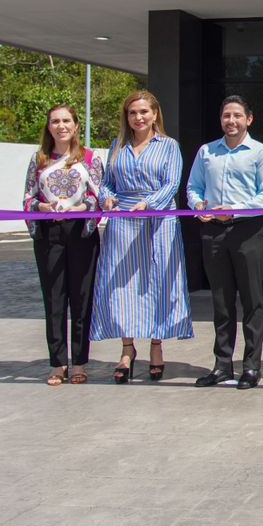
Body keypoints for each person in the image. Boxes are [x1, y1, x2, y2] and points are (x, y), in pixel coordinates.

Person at [91, 90, 191, 383]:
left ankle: (157, 346)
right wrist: (107, 199)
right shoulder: (117, 145)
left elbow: (172, 183)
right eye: (133, 113)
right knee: (122, 286)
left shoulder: (169, 146)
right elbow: (106, 184)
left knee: (157, 281)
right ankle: (127, 349)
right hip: (123, 221)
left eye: (144, 112)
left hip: (157, 221)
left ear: (155, 114)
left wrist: (149, 204)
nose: (138, 118)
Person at [188, 95, 263, 391]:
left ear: (248, 119)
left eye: (237, 115)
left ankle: (251, 367)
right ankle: (221, 365)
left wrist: (234, 212)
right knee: (221, 304)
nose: (231, 121)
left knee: (252, 302)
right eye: (226, 115)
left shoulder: (260, 153)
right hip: (213, 233)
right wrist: (198, 205)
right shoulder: (206, 152)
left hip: (247, 232)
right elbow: (194, 187)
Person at [21, 105, 104, 386]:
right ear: (48, 126)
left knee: (82, 299)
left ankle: (80, 362)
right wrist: (42, 207)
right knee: (55, 300)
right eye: (55, 121)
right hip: (49, 233)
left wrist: (83, 207)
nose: (61, 126)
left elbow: (99, 197)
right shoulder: (40, 159)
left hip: (81, 232)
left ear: (76, 125)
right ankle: (57, 363)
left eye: (66, 120)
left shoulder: (90, 158)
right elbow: (27, 199)